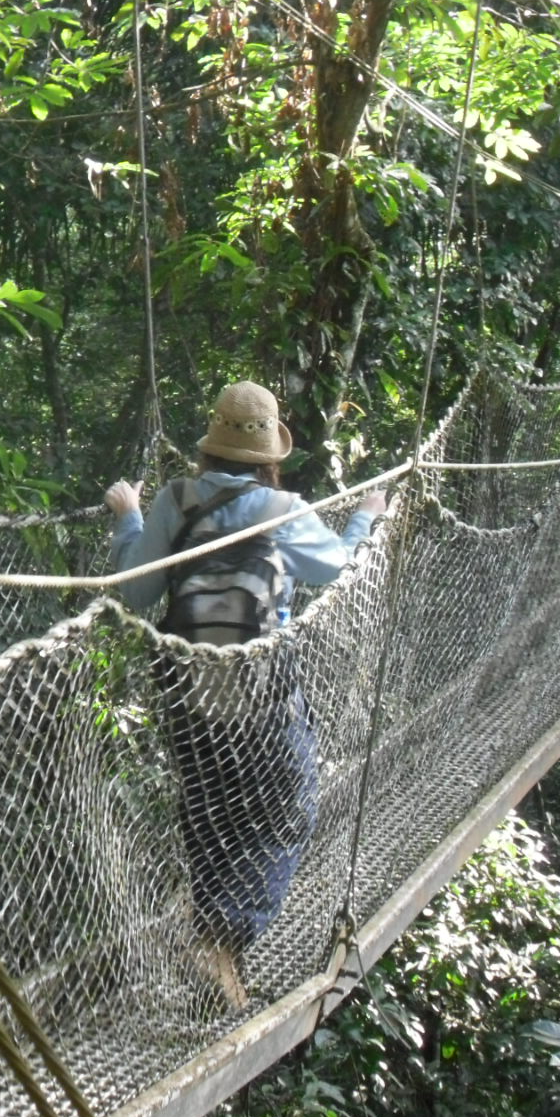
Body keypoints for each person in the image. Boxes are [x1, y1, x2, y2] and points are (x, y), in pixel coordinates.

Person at [104, 381, 386, 1010]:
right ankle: (223, 940)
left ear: (212, 445)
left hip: (188, 696)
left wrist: (129, 516)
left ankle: (217, 955)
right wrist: (367, 513)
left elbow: (137, 594)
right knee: (288, 811)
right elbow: (337, 568)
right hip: (262, 698)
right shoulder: (282, 509)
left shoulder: (176, 499)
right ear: (268, 453)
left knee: (210, 822)